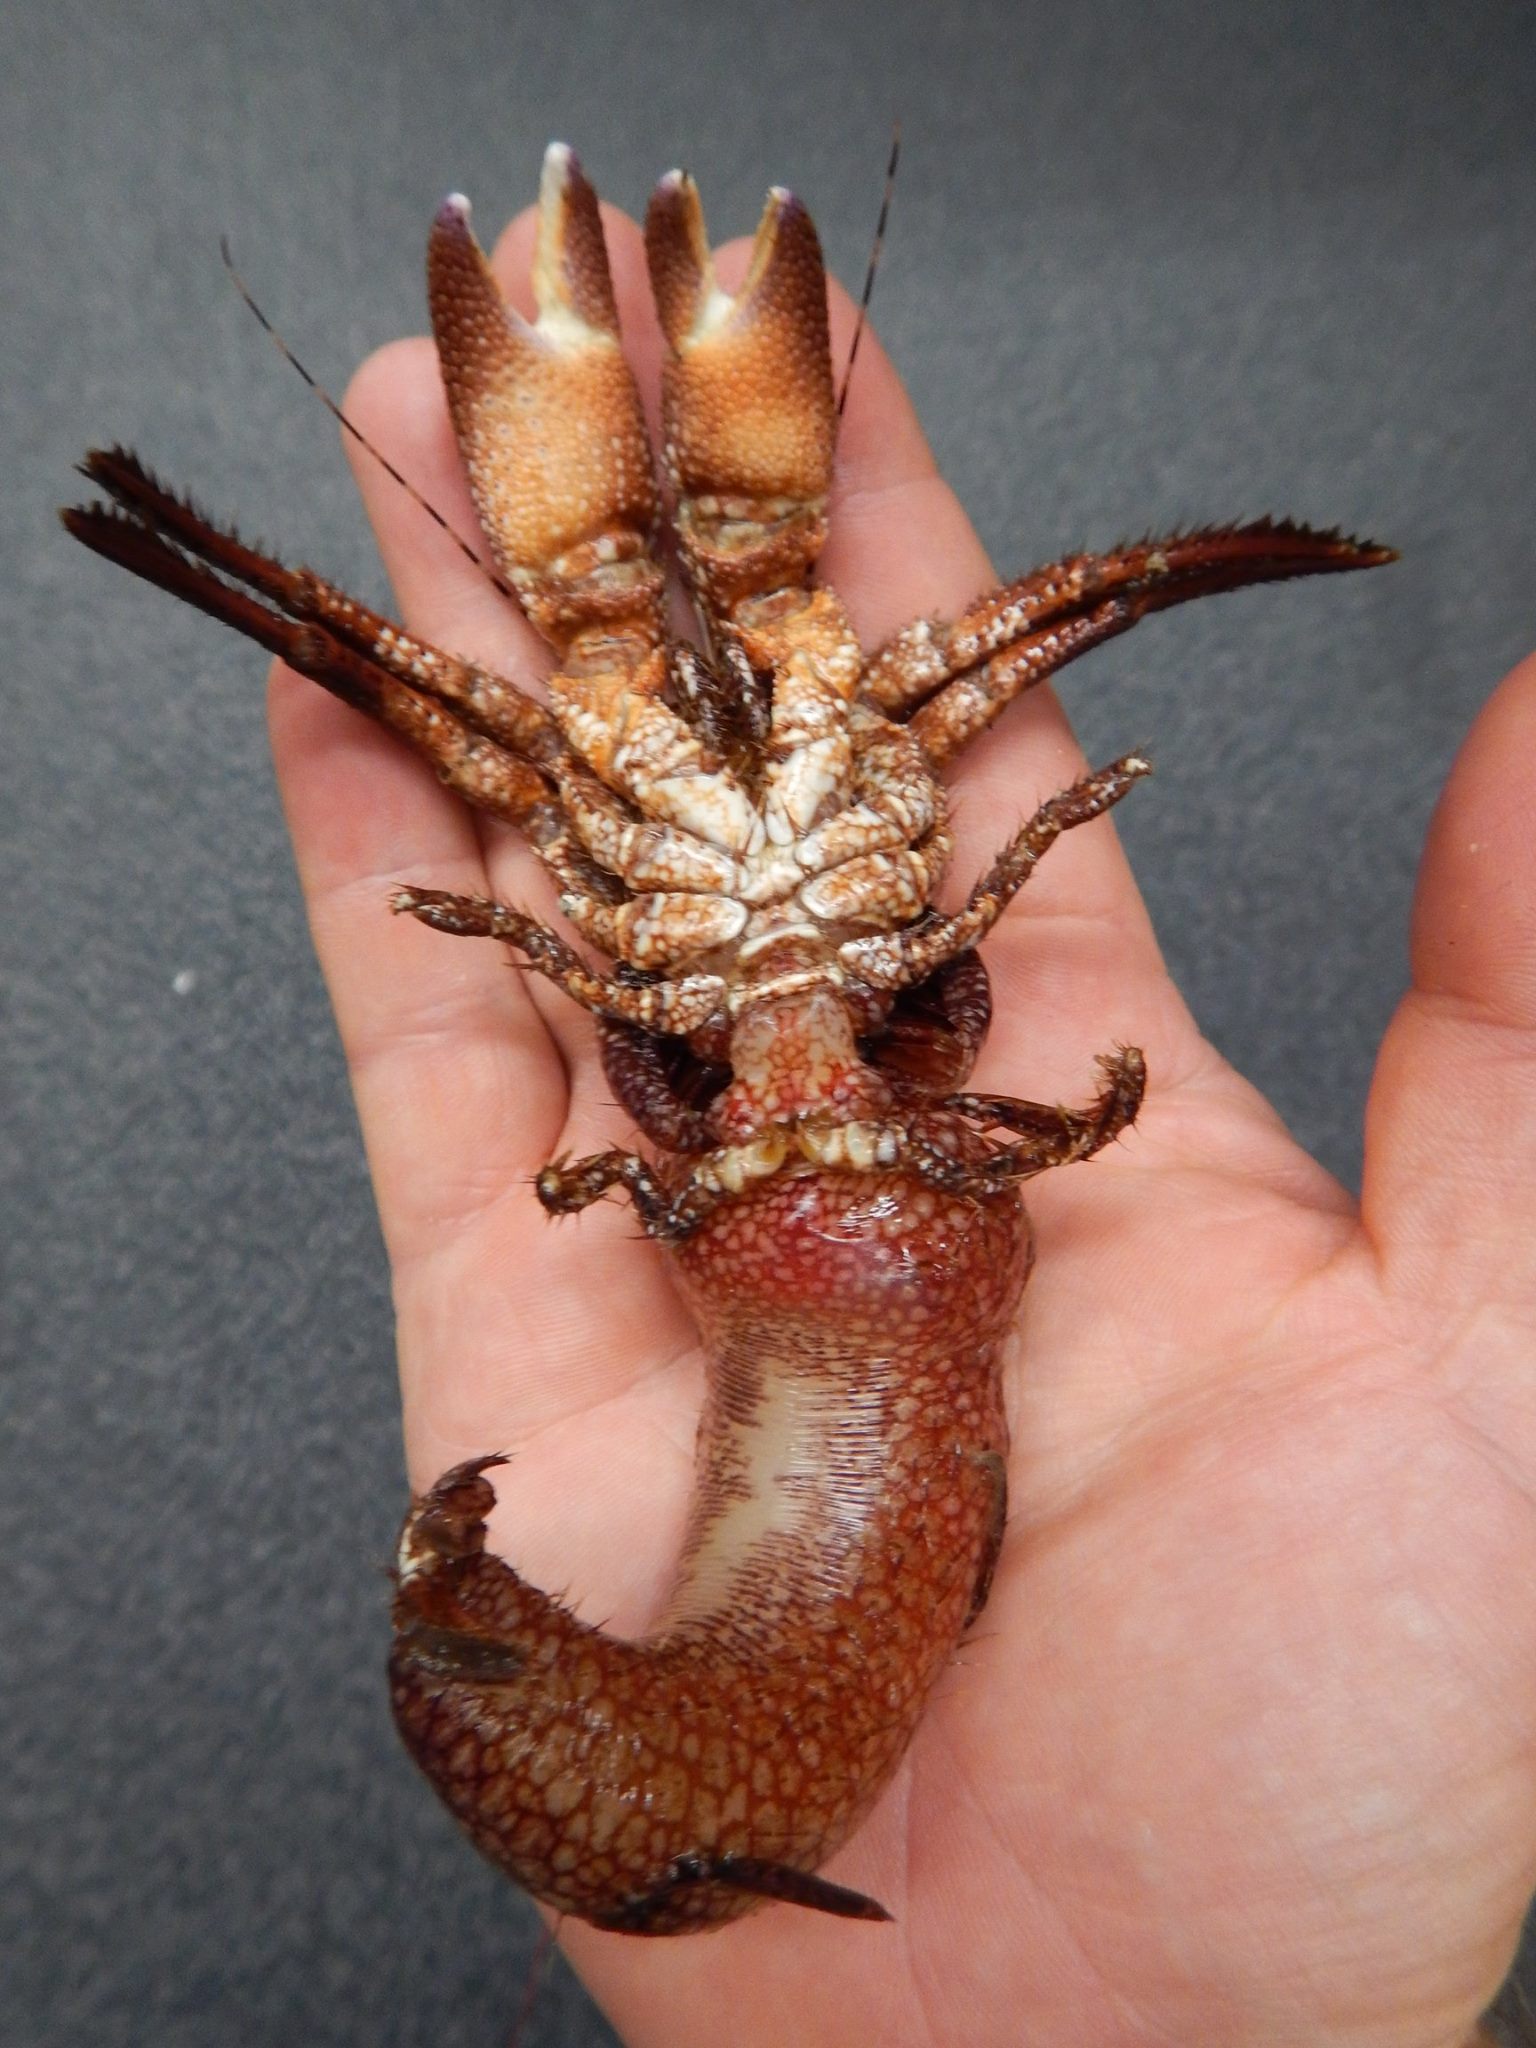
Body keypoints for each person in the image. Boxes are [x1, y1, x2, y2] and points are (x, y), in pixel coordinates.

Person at [265, 194, 1536, 2048]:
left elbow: (501, 725)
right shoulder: (863, 840)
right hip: (827, 1263)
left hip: (783, 1291)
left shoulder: (606, 817)